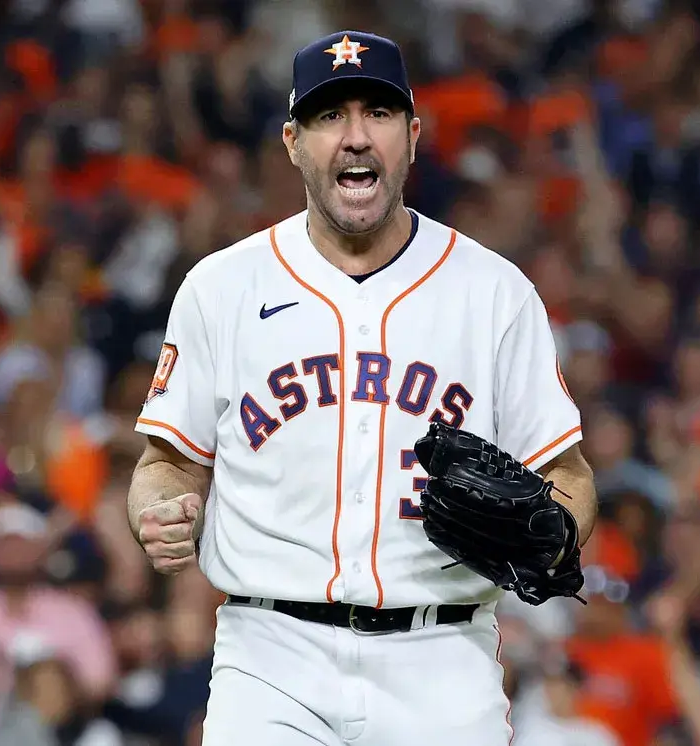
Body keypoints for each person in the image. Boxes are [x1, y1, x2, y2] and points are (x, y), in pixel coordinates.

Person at [127, 30, 597, 745]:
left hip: (440, 658)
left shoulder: (494, 292)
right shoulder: (221, 286)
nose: (353, 137)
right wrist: (158, 507)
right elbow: (165, 461)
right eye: (328, 116)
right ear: (291, 141)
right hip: (270, 654)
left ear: (411, 136)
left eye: (376, 113)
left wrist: (556, 532)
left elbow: (566, 473)